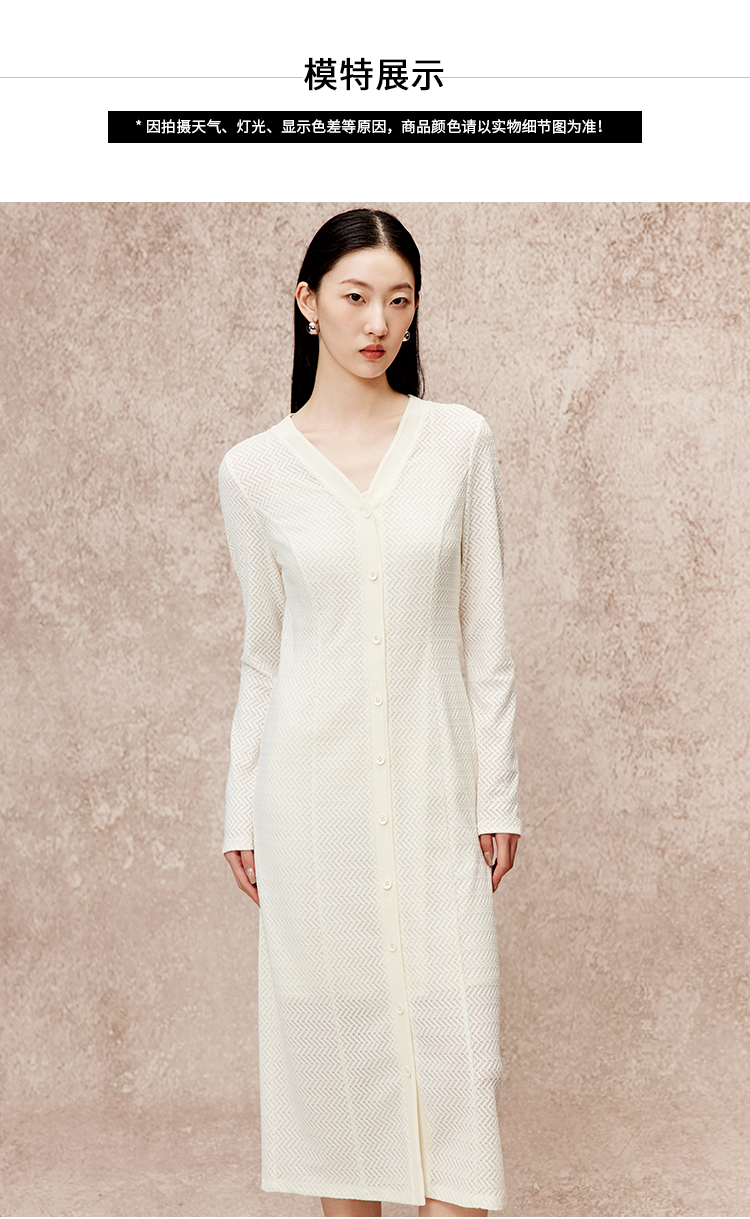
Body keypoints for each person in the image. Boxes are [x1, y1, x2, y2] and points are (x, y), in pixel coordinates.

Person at [219, 208, 522, 1218]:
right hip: (311, 806)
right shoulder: (255, 471)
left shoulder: (459, 442)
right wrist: (239, 811)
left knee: (460, 1060)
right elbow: (264, 656)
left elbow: (486, 638)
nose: (377, 322)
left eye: (399, 300)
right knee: (340, 1072)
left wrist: (498, 796)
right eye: (354, 296)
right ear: (307, 303)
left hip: (436, 791)